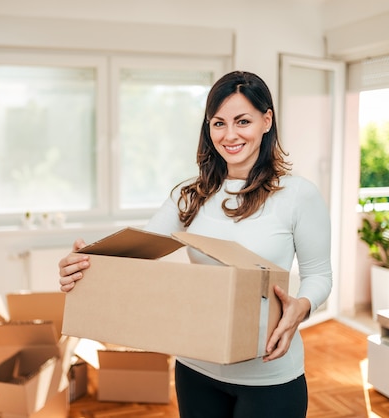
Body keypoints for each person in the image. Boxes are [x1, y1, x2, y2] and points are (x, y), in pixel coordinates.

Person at [58, 70, 332, 417]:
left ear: (267, 120)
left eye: (242, 121)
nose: (230, 135)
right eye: (218, 123)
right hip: (196, 369)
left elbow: (320, 274)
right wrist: (84, 264)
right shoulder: (191, 195)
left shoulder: (298, 195)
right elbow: (135, 253)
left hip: (268, 375)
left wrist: (302, 307)